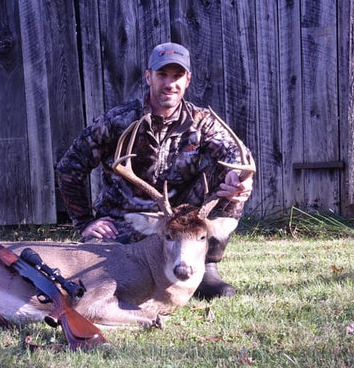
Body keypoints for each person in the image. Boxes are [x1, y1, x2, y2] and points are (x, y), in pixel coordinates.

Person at [56, 42, 254, 299]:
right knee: (103, 278)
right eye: (162, 75)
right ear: (149, 77)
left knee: (232, 180)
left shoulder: (201, 121)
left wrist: (239, 182)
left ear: (188, 80)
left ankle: (206, 268)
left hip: (184, 222)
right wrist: (85, 222)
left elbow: (236, 155)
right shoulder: (119, 120)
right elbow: (70, 167)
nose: (170, 83)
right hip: (126, 223)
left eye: (177, 76)